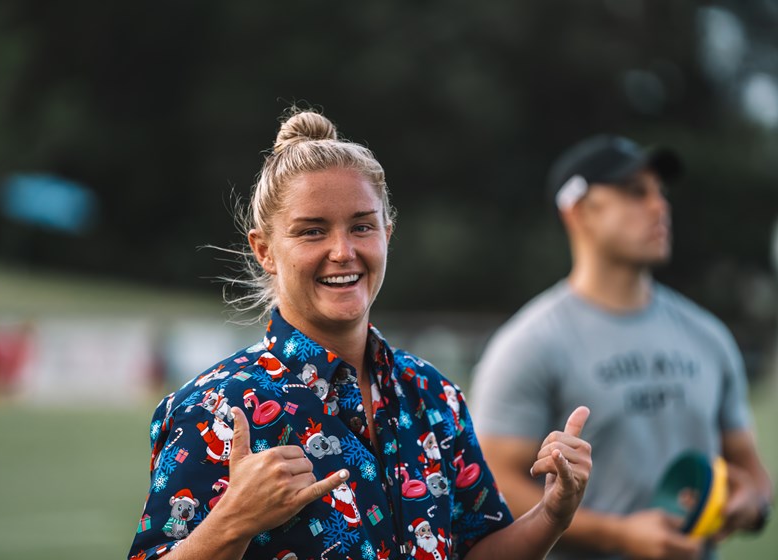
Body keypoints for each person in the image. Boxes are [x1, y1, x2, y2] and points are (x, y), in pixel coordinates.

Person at [127, 109, 593, 560]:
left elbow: (477, 551)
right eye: (312, 232)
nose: (342, 251)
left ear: (387, 234)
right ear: (265, 250)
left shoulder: (432, 395)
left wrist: (552, 512)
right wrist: (233, 520)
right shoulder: (215, 409)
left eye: (362, 226)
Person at [469, 134, 773, 560]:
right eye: (635, 192)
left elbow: (750, 467)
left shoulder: (708, 335)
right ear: (578, 211)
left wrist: (752, 504)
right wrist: (618, 535)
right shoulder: (529, 344)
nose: (658, 206)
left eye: (660, 193)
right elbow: (493, 482)